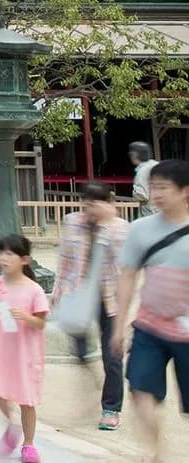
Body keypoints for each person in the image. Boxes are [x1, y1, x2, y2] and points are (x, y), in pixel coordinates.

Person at [112, 157, 189, 463]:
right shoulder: (140, 229)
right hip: (149, 326)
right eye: (153, 187)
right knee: (140, 388)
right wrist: (119, 326)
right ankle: (154, 452)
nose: (156, 194)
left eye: (163, 188)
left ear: (185, 191)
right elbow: (128, 275)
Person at [52, 181, 130, 431]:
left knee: (112, 355)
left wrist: (105, 226)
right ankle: (92, 385)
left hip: (110, 298)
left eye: (95, 204)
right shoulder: (73, 222)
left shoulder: (120, 228)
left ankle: (111, 408)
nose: (89, 209)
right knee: (80, 350)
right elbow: (65, 258)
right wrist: (58, 290)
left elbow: (126, 268)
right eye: (86, 204)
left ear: (107, 203)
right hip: (79, 294)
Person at [0, 234, 49, 462]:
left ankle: (29, 444)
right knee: (0, 394)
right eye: (1, 253)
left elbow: (41, 323)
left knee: (26, 400)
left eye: (10, 254)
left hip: (26, 354)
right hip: (2, 351)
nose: (3, 258)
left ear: (24, 260)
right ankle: (11, 426)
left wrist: (26, 317)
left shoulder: (34, 290)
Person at [130, 143, 159, 214]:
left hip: (152, 212)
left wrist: (134, 194)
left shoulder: (143, 170)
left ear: (135, 155)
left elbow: (142, 195)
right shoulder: (157, 164)